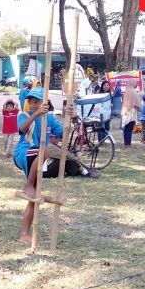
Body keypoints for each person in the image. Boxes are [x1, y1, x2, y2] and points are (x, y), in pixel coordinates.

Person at [14, 87, 96, 242]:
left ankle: (24, 234)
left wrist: (70, 118)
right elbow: (22, 128)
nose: (33, 105)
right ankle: (28, 184)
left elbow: (64, 134)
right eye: (31, 102)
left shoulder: (50, 119)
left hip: (37, 158)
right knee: (44, 151)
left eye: (37, 102)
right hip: (24, 153)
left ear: (45, 103)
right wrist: (36, 114)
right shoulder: (24, 115)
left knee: (34, 196)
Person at [120, 81, 141, 147]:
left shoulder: (127, 91)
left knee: (126, 128)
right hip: (132, 112)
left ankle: (126, 142)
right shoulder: (134, 91)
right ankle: (128, 143)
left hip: (126, 112)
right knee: (129, 128)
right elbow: (137, 103)